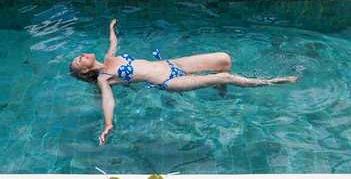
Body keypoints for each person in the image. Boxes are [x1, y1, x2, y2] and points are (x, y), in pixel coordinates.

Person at [70, 19, 298, 145]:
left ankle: (216, 83)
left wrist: (111, 29)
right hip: (168, 81)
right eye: (79, 60)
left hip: (172, 63)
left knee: (224, 60)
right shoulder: (104, 78)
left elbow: (113, 43)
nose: (82, 55)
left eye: (79, 55)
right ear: (83, 71)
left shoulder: (109, 59)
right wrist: (108, 124)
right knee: (226, 76)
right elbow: (107, 102)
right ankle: (275, 81)